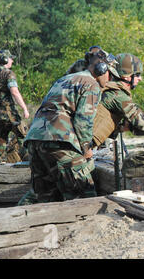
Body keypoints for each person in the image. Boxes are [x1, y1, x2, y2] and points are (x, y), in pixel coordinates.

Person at [21, 56, 116, 203]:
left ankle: (15, 222)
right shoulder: (91, 84)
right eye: (111, 75)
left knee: (42, 195)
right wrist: (86, 149)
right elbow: (83, 121)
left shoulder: (66, 78)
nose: (110, 81)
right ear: (102, 69)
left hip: (35, 138)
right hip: (59, 140)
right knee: (85, 194)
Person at [0, 50, 29, 163]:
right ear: (5, 60)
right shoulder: (8, 74)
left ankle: (0, 165)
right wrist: (24, 108)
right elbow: (14, 92)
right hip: (9, 113)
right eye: (10, 58)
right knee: (24, 135)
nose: (12, 60)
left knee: (0, 140)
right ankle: (29, 161)